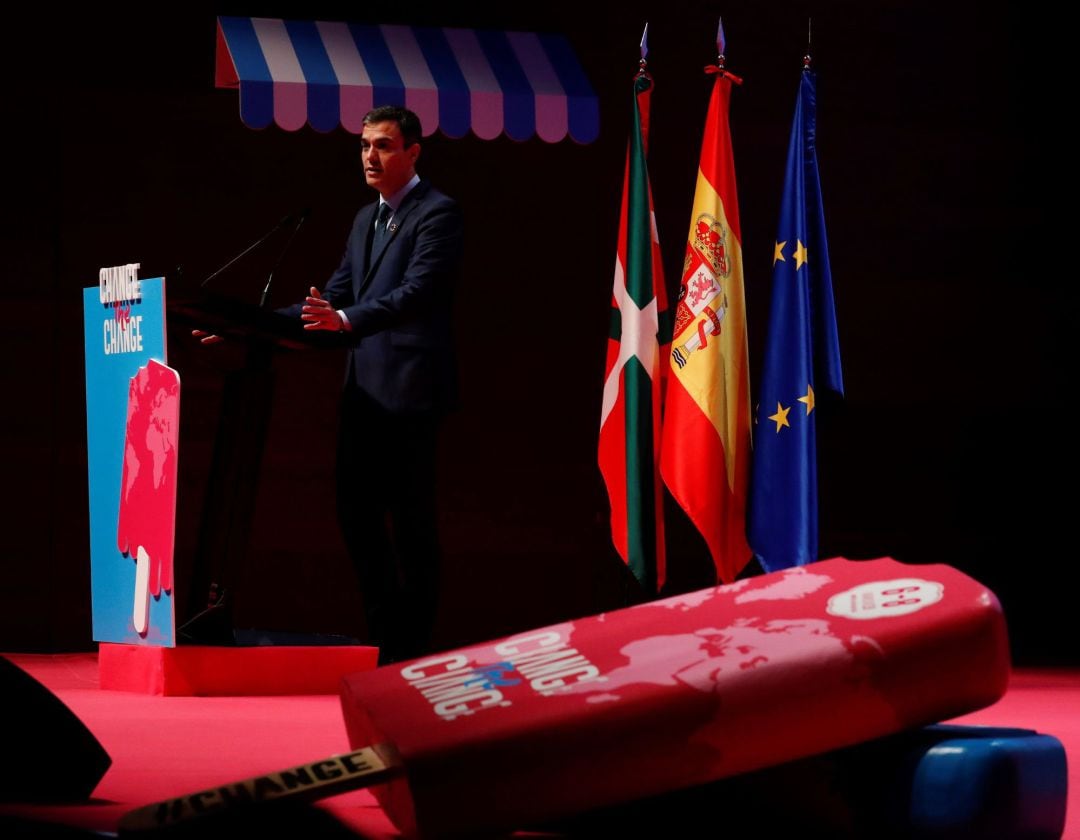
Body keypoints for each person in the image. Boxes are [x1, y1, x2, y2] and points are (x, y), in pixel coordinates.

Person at [287, 105, 463, 663]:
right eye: (365, 145)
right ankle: (389, 635)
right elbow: (332, 296)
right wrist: (251, 328)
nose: (370, 155)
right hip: (362, 396)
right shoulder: (367, 220)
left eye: (383, 145)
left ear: (413, 152)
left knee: (410, 522)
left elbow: (417, 292)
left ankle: (413, 647)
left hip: (410, 394)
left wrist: (346, 320)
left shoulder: (437, 214)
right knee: (354, 513)